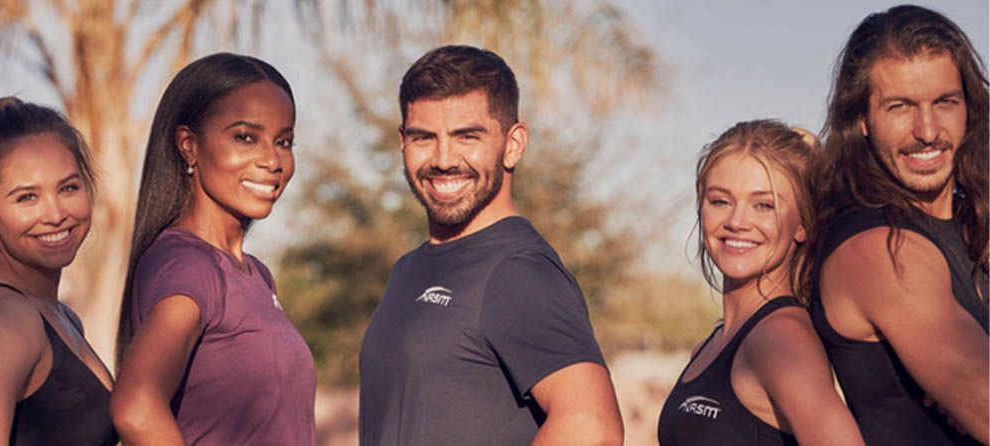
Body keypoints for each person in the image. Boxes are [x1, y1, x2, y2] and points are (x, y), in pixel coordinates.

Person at [359, 45, 624, 446]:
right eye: (424, 138)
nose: (444, 159)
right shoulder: (408, 268)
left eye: (467, 136)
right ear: (402, 142)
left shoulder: (517, 269)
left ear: (513, 144)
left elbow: (592, 428)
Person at [110, 53, 315, 445]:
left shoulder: (255, 274)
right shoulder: (188, 265)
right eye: (245, 137)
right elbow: (136, 404)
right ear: (189, 146)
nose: (272, 160)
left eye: (283, 141)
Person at [808, 5, 989, 445]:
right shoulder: (877, 250)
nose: (927, 131)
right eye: (900, 107)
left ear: (968, 107)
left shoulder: (973, 227)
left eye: (945, 102)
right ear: (863, 120)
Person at [656, 121, 863, 445]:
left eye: (764, 205)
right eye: (720, 201)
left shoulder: (780, 338)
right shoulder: (711, 346)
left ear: (803, 224)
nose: (737, 221)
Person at [0, 97, 117, 446]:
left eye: (68, 188)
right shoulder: (4, 321)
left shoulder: (60, 316)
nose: (55, 213)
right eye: (27, 198)